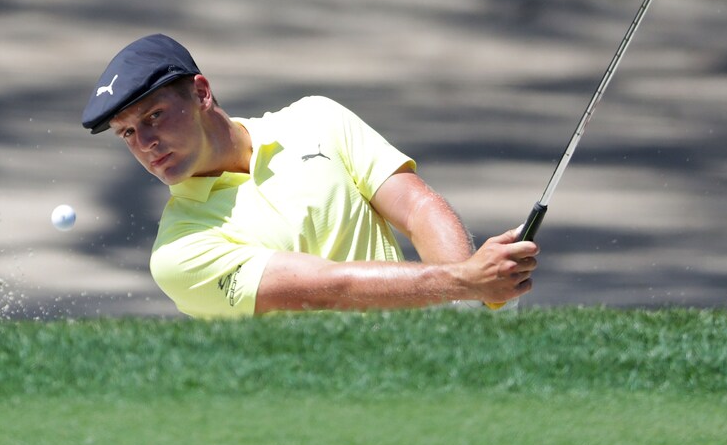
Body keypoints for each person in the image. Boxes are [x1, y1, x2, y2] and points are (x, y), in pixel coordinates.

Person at [82, 34, 538, 318]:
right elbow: (327, 289)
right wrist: (464, 281)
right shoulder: (178, 251)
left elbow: (418, 208)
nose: (145, 143)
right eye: (127, 133)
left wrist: (469, 310)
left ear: (201, 92)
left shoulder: (316, 119)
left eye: (155, 116)